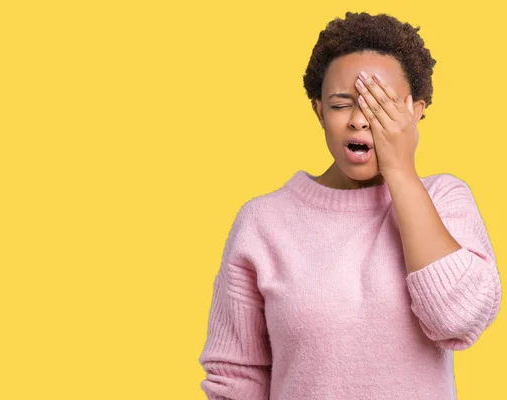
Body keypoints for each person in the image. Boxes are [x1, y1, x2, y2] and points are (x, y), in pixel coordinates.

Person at [198, 11, 502, 400]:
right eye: (342, 104)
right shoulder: (262, 222)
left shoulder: (445, 199)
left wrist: (401, 172)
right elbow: (235, 378)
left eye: (380, 106)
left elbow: (458, 320)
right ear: (319, 110)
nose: (360, 120)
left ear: (416, 112)